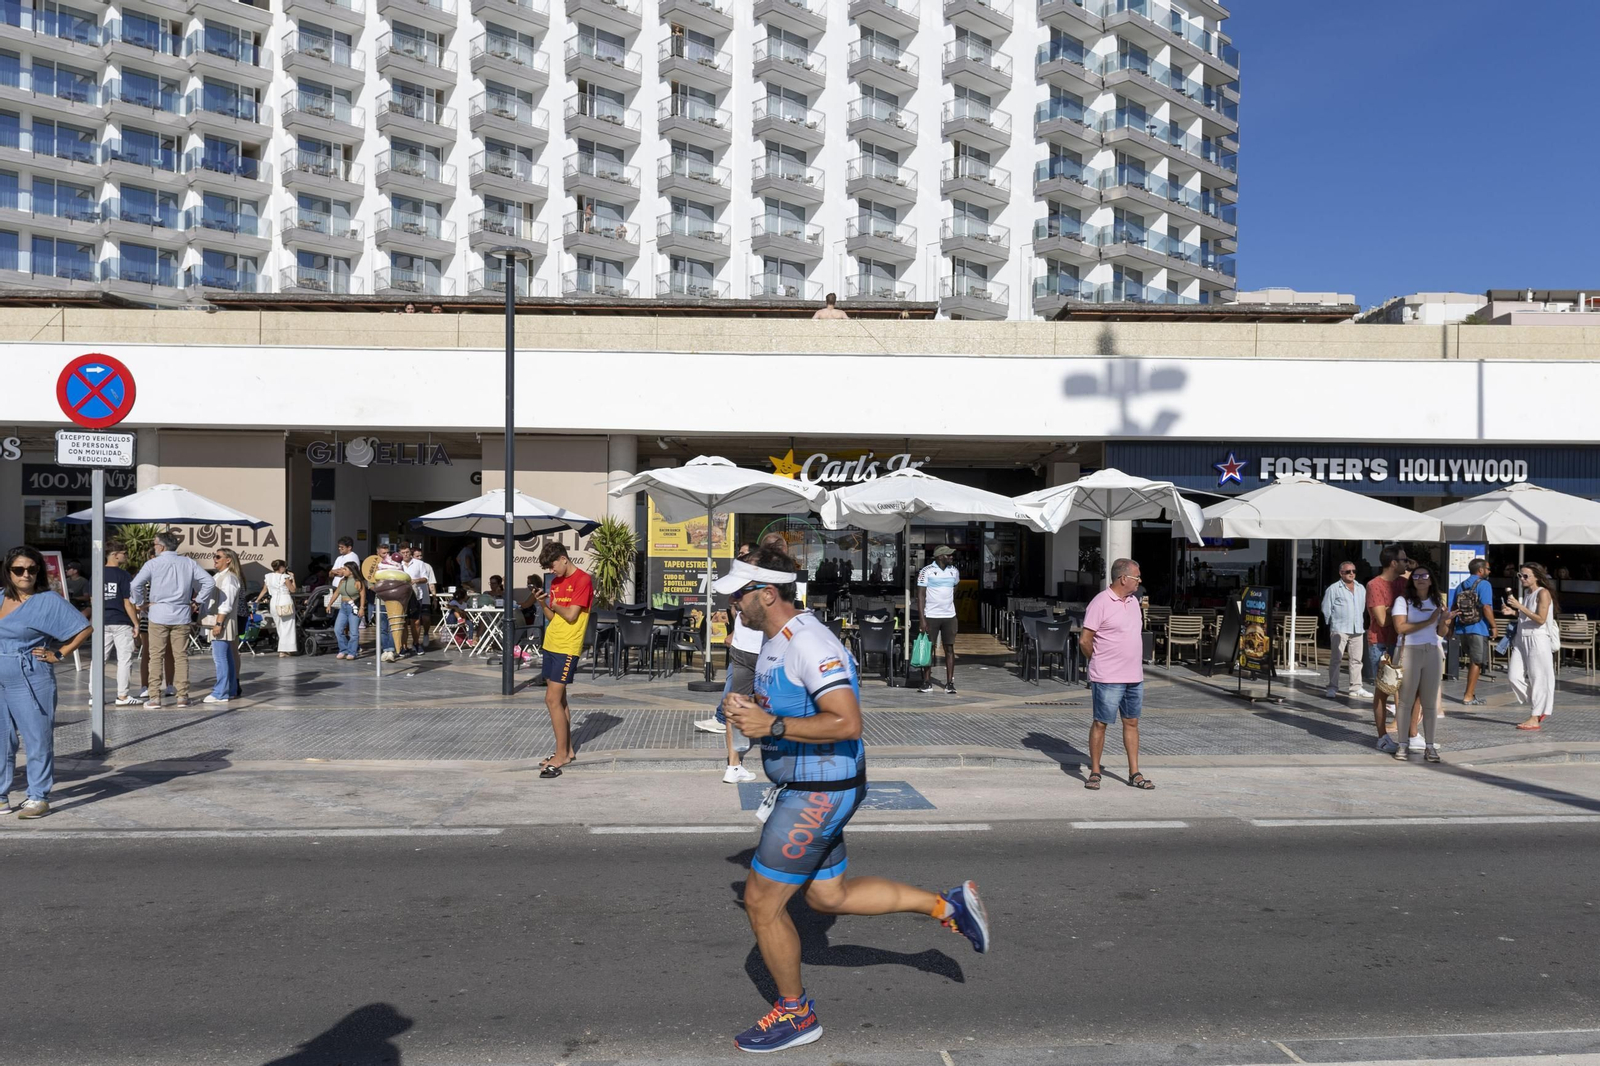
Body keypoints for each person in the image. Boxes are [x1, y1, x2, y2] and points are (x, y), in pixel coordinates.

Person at [720, 546, 988, 1053]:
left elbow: (847, 721)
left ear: (769, 593)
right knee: (827, 897)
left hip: (818, 790)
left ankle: (797, 1016)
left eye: (740, 593)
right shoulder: (773, 637)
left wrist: (772, 725)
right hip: (813, 784)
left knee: (760, 902)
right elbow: (793, 700)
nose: (734, 602)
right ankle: (946, 905)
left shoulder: (809, 642)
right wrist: (755, 707)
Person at [1, 545, 92, 818]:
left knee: (37, 737)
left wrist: (60, 654)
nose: (25, 574)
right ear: (8, 572)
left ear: (38, 571)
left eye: (32, 569)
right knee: (1, 740)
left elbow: (84, 628)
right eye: (19, 569)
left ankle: (38, 796)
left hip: (31, 676)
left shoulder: (47, 601)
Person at [1080, 557, 1152, 791]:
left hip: (1134, 676)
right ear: (1123, 578)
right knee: (1101, 723)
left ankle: (1135, 772)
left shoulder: (1133, 601)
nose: (1139, 581)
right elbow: (1085, 640)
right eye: (1136, 577)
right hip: (1108, 676)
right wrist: (1097, 660)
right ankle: (1095, 772)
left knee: (1132, 722)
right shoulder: (1100, 602)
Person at [692, 544, 761, 783]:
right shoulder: (769, 585)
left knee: (735, 706)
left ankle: (733, 766)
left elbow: (734, 609)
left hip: (743, 650)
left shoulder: (741, 584)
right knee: (781, 703)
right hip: (762, 650)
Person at [131, 531, 215, 709]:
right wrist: (197, 601)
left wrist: (140, 603)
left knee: (155, 656)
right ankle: (182, 696)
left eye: (155, 544)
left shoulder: (153, 563)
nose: (154, 546)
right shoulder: (188, 562)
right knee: (181, 656)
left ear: (161, 546)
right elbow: (209, 582)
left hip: (158, 613)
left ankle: (154, 697)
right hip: (182, 613)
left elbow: (135, 584)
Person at [532, 543, 593, 778]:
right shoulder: (555, 582)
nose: (551, 571)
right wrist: (542, 603)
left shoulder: (582, 580)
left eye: (552, 565)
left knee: (552, 699)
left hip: (568, 646)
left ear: (563, 559)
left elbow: (570, 615)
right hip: (551, 642)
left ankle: (560, 756)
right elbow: (552, 616)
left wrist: (555, 604)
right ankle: (566, 752)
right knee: (561, 700)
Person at [1391, 565, 1452, 763]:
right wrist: (1430, 620)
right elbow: (1400, 627)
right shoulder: (1403, 601)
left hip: (1432, 651)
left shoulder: (1437, 601)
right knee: (1405, 701)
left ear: (1431, 579)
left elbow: (1442, 633)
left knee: (1430, 702)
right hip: (1409, 651)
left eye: (1425, 576)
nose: (1420, 579)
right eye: (1416, 576)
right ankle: (1402, 744)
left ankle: (1430, 746)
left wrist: (1444, 621)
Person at [1364, 544, 1412, 753]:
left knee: (1405, 690)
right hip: (1381, 642)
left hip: (1403, 642)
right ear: (1393, 563)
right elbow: (1382, 620)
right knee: (1383, 691)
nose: (1407, 564)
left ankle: (1409, 734)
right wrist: (1399, 607)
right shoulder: (1374, 585)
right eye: (1404, 560)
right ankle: (1382, 736)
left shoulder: (1405, 583)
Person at [1503, 562, 1557, 730]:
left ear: (1537, 577)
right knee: (1513, 676)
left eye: (1526, 576)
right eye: (1520, 575)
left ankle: (1535, 715)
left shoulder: (1544, 593)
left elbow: (1540, 619)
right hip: (1522, 637)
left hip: (1537, 638)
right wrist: (1513, 612)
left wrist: (1519, 607)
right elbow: (1528, 615)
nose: (1522, 578)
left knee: (1538, 677)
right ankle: (1538, 703)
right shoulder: (1527, 593)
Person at [98, 538, 141, 706]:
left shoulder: (97, 572)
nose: (126, 556)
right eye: (124, 553)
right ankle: (122, 696)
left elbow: (94, 600)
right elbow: (127, 602)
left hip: (102, 620)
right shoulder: (123, 575)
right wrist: (136, 624)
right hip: (121, 621)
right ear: (115, 555)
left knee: (99, 659)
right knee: (124, 659)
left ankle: (95, 696)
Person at [1448, 557, 1496, 707]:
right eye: (1487, 568)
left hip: (1462, 628)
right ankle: (1468, 695)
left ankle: (1470, 693)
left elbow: (1453, 608)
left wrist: (1451, 628)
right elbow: (1486, 607)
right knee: (1477, 661)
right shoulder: (1484, 584)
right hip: (1478, 628)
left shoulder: (1461, 586)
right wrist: (1494, 626)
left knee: (1472, 660)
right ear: (1480, 570)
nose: (1489, 571)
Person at [1321, 561, 1372, 700]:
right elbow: (1326, 608)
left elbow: (1365, 607)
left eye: (1353, 571)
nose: (1351, 574)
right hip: (1340, 628)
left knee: (1356, 660)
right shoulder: (1334, 588)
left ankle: (1356, 687)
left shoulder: (1361, 588)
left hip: (1357, 628)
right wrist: (1332, 624)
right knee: (1336, 659)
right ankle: (1332, 687)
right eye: (1348, 571)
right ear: (1341, 573)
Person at [916, 545, 961, 695]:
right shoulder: (926, 571)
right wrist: (922, 619)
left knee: (950, 648)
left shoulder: (954, 571)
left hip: (949, 616)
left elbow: (955, 587)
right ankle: (927, 681)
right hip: (931, 616)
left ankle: (950, 683)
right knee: (928, 649)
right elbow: (921, 596)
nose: (951, 557)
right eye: (948, 555)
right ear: (940, 556)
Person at [204, 548, 244, 704]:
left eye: (218, 556)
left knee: (220, 658)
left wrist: (218, 623)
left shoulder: (229, 578)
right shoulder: (220, 576)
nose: (215, 559)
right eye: (214, 556)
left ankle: (220, 692)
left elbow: (226, 604)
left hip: (223, 622)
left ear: (228, 559)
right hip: (223, 621)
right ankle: (231, 689)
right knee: (227, 658)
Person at [257, 560, 299, 658]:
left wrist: (257, 600)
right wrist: (293, 578)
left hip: (274, 602)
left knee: (279, 626)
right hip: (285, 600)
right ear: (281, 567)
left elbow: (264, 590)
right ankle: (285, 650)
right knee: (288, 626)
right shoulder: (284, 577)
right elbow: (293, 589)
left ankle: (283, 649)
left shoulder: (268, 576)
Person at [330, 562, 366, 660]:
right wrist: (330, 604)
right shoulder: (342, 581)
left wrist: (362, 608)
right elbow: (336, 593)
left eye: (345, 569)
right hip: (343, 607)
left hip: (353, 607)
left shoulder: (358, 582)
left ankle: (352, 652)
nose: (342, 571)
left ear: (351, 571)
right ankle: (343, 649)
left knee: (353, 632)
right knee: (338, 629)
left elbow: (363, 595)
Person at [402, 546, 433, 655]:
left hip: (416, 595)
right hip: (402, 596)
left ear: (410, 552)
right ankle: (404, 646)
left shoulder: (419, 563)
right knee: (403, 622)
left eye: (407, 552)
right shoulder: (397, 564)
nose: (405, 554)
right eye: (403, 552)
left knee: (416, 621)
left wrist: (416, 580)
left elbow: (425, 579)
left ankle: (416, 643)